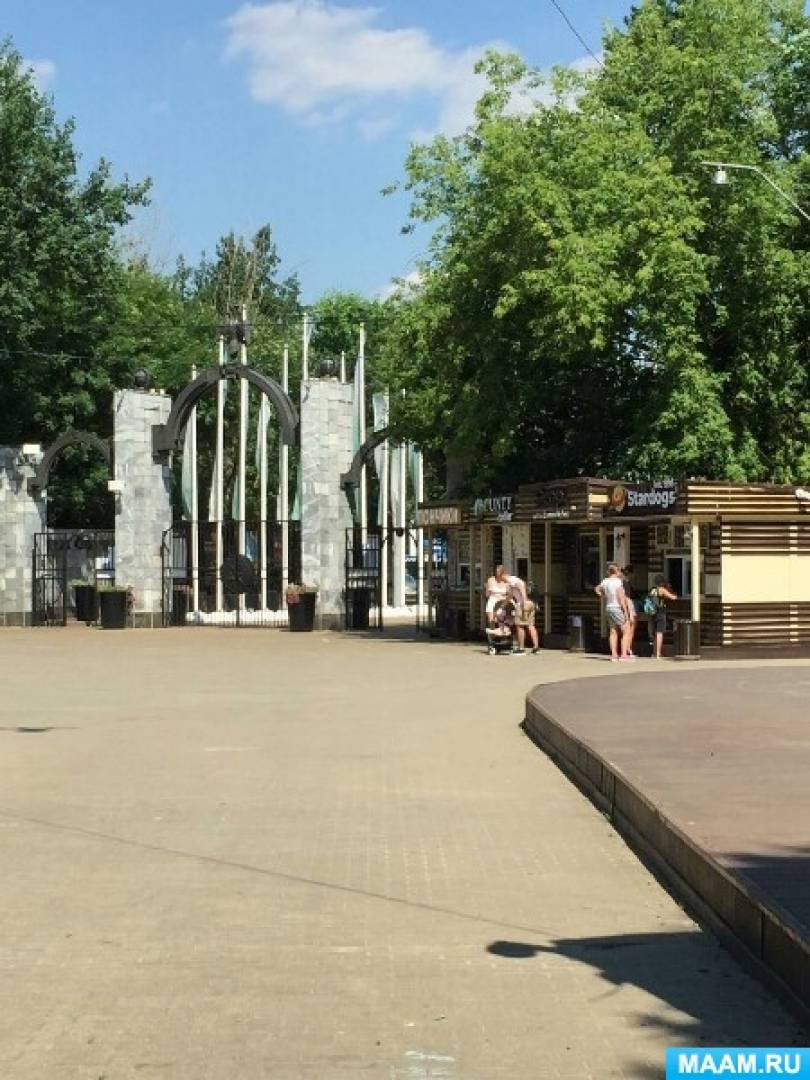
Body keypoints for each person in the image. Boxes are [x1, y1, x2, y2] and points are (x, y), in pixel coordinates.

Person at [595, 563, 633, 661]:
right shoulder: (618, 582)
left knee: (613, 631)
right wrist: (626, 612)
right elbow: (621, 598)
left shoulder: (605, 581)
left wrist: (603, 595)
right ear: (617, 571)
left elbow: (597, 589)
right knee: (626, 630)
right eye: (620, 570)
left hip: (609, 607)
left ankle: (614, 655)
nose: (621, 573)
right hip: (617, 608)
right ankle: (624, 655)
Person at [647, 574, 678, 659]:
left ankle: (654, 653)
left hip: (652, 613)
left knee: (655, 634)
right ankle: (658, 653)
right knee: (659, 633)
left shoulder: (652, 590)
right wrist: (672, 592)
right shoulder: (662, 590)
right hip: (660, 613)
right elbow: (673, 598)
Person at [515, 579, 540, 654]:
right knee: (531, 625)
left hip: (524, 604)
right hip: (532, 604)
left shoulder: (521, 586)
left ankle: (521, 648)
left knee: (520, 626)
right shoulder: (534, 588)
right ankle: (536, 647)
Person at [622, 565, 638, 656]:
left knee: (628, 628)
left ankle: (627, 649)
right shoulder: (626, 583)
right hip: (629, 605)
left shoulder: (623, 582)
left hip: (626, 606)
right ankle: (628, 649)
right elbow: (627, 598)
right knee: (630, 628)